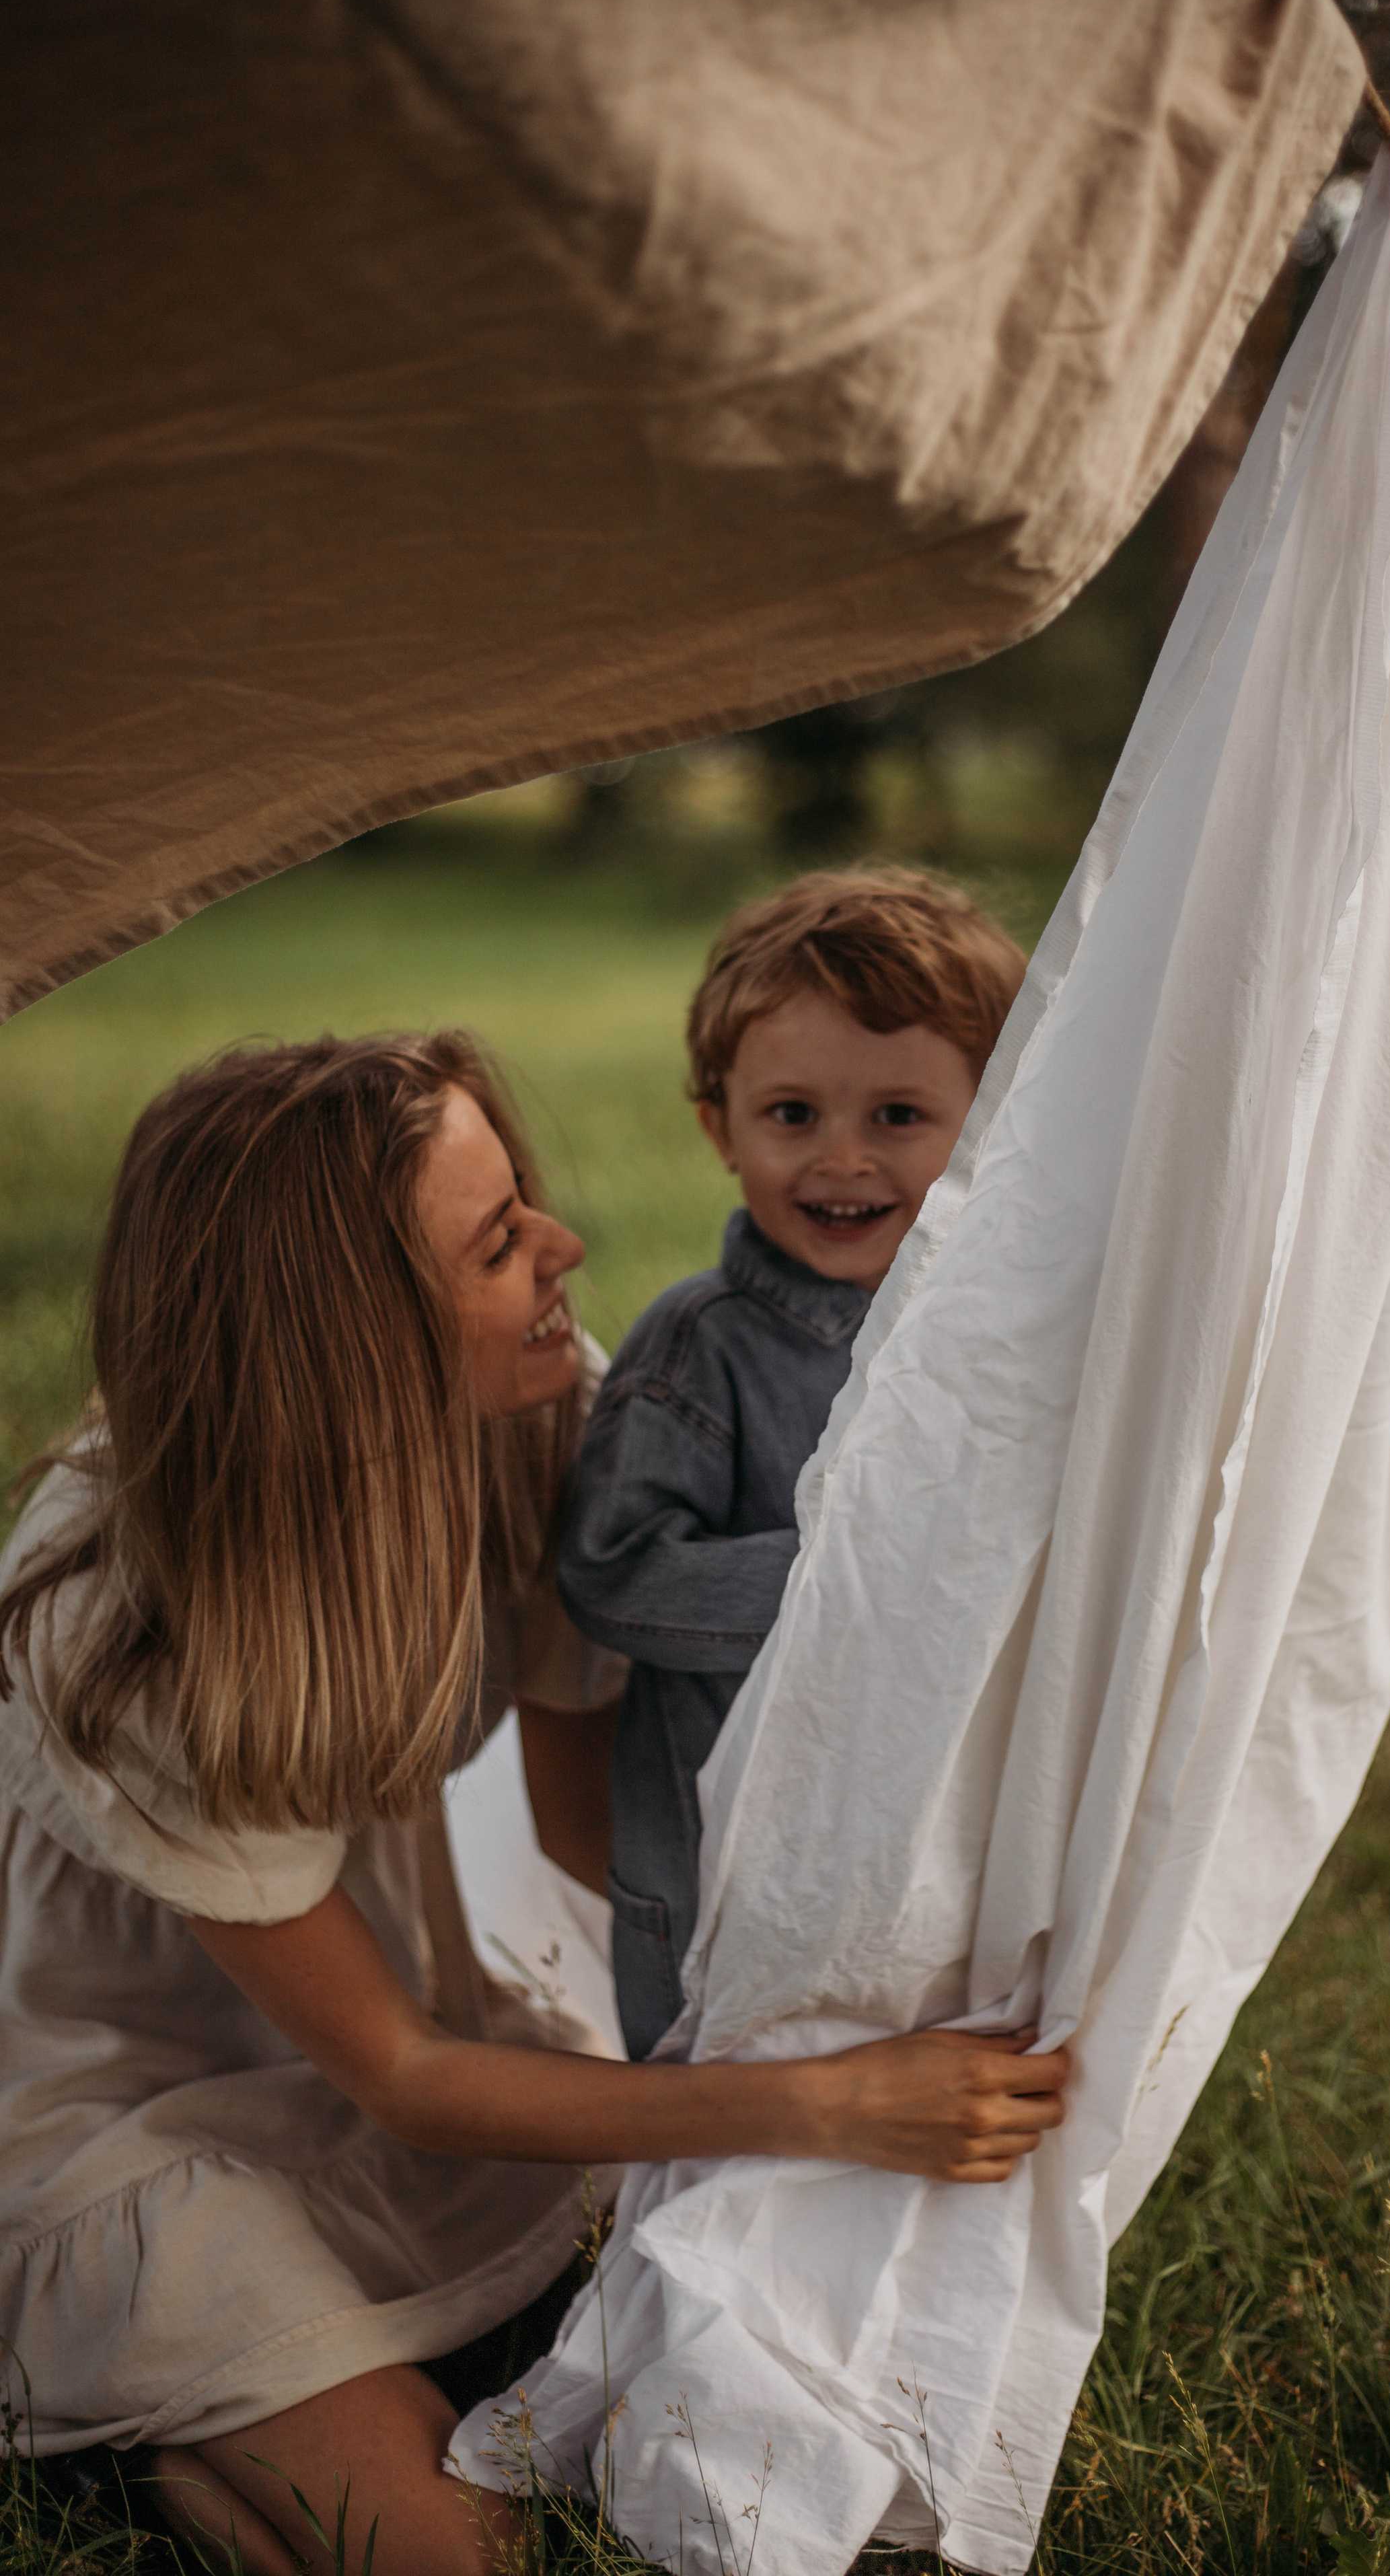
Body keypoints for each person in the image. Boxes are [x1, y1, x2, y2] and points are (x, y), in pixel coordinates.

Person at [0, 1031, 1068, 2576]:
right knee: (463, 2555)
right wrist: (827, 2105)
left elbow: (587, 1832)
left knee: (730, 2369)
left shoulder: (548, 1418)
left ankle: (236, 2411)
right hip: (130, 2111)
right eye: (499, 1240)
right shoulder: (128, 1626)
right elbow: (402, 2077)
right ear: (348, 1333)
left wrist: (854, 1989)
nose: (564, 1249)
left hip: (420, 2021)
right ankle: (180, 2404)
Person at [555, 871, 1026, 2057]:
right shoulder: (699, 1347)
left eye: (899, 1118)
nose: (844, 1161)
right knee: (742, 2122)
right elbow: (614, 1569)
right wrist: (855, 1579)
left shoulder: (1003, 1341)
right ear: (721, 1125)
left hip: (924, 1837)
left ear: (996, 1120)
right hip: (735, 1873)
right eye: (794, 1115)